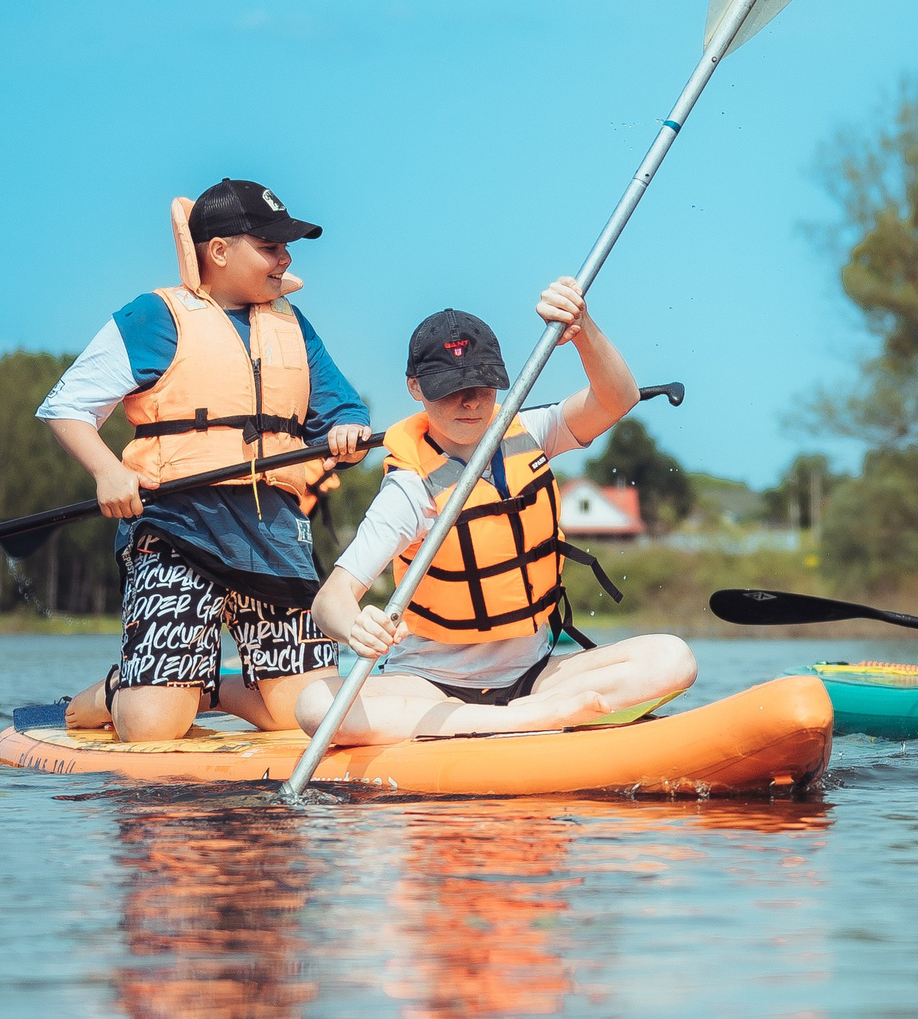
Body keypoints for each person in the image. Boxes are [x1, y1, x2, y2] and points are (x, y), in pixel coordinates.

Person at [35, 179, 372, 739]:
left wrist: (348, 433)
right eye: (270, 246)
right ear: (218, 251)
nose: (285, 258)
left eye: (287, 246)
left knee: (305, 716)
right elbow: (66, 405)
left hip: (275, 539)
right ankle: (126, 690)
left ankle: (207, 688)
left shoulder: (292, 324)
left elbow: (343, 408)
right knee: (151, 730)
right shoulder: (157, 316)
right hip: (178, 530)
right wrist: (107, 470)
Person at [297, 280, 697, 743]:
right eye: (449, 390)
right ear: (415, 388)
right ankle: (525, 723)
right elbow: (330, 601)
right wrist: (355, 627)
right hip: (431, 691)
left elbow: (617, 398)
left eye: (482, 385)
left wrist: (582, 328)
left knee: (673, 657)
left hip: (538, 677)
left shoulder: (532, 431)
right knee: (315, 704)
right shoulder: (408, 490)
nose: (469, 402)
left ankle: (529, 713)